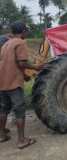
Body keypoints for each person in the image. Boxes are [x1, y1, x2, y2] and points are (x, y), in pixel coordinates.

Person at [0, 21, 45, 149]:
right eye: (26, 31)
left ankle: (1, 135)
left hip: (2, 82)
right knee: (19, 110)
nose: (26, 33)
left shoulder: (6, 44)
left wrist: (25, 76)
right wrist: (37, 67)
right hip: (13, 83)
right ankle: (22, 140)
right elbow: (21, 63)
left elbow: (10, 63)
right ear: (23, 31)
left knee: (3, 109)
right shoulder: (20, 42)